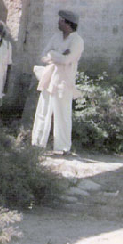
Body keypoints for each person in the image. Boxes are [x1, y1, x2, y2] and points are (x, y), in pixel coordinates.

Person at [31, 9, 84, 154]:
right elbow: (44, 55)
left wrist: (54, 55)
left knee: (63, 115)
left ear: (68, 23)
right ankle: (37, 144)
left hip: (64, 82)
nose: (58, 22)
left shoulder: (77, 41)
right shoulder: (55, 36)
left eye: (61, 20)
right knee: (43, 112)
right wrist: (58, 54)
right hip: (49, 79)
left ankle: (62, 148)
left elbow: (68, 59)